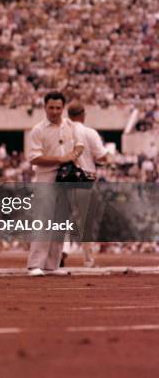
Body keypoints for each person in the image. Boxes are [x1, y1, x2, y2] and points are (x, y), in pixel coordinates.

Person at [27, 91, 83, 276]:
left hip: (66, 179)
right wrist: (61, 159)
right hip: (45, 179)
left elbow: (80, 145)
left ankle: (52, 265)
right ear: (44, 107)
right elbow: (34, 158)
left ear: (63, 108)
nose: (55, 111)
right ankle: (35, 265)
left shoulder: (71, 126)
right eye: (51, 107)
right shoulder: (38, 130)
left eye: (58, 108)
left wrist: (72, 158)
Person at [67, 101, 109, 267]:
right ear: (83, 115)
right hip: (85, 179)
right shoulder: (89, 132)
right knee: (85, 222)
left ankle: (59, 254)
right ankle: (88, 259)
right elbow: (103, 157)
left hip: (64, 179)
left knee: (60, 218)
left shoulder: (63, 130)